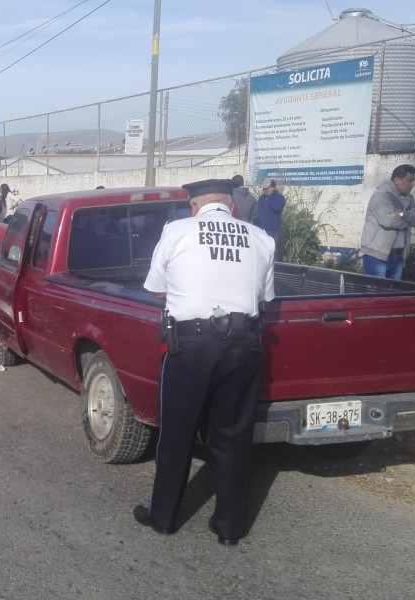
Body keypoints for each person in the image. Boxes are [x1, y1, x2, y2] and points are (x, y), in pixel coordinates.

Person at [133, 178, 275, 546]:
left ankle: (162, 517)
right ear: (230, 206)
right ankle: (230, 528)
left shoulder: (177, 231)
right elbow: (264, 298)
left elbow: (157, 288)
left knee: (177, 433)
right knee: (233, 435)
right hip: (244, 344)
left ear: (193, 206)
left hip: (191, 345)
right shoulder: (260, 238)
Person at [359, 164, 415, 280]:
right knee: (377, 293)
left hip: (398, 255)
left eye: (414, 181)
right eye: (409, 180)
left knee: (393, 295)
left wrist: (402, 214)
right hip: (376, 255)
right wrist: (408, 221)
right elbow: (388, 221)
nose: (412, 184)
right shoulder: (381, 195)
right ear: (397, 180)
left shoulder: (409, 199)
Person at [253, 179, 286, 259]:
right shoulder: (261, 198)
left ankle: (276, 269)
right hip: (260, 229)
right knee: (260, 251)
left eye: (266, 188)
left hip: (272, 230)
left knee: (272, 252)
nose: (264, 190)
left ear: (273, 188)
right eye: (263, 188)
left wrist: (270, 197)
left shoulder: (279, 198)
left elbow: (277, 207)